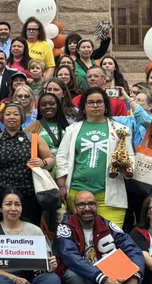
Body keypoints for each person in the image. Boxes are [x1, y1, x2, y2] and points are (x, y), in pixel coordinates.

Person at [53, 190, 144, 284]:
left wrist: (134, 276)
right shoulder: (65, 227)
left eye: (91, 204)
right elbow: (70, 256)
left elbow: (134, 250)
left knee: (135, 272)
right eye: (81, 205)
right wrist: (102, 278)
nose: (87, 208)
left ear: (97, 206)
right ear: (75, 208)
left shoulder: (108, 226)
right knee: (72, 275)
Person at [56, 88, 135, 227]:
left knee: (111, 239)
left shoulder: (120, 130)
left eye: (99, 102)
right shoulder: (72, 129)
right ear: (84, 107)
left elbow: (130, 156)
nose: (95, 105)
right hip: (77, 192)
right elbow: (62, 157)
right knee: (81, 239)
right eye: (90, 102)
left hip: (109, 195)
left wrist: (126, 167)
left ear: (106, 106)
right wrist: (62, 186)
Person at [0, 102, 54, 226]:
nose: (12, 117)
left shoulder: (34, 138)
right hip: (2, 195)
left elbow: (51, 159)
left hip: (29, 195)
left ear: (21, 117)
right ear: (2, 118)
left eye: (16, 114)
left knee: (31, 228)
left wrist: (43, 162)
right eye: (8, 114)